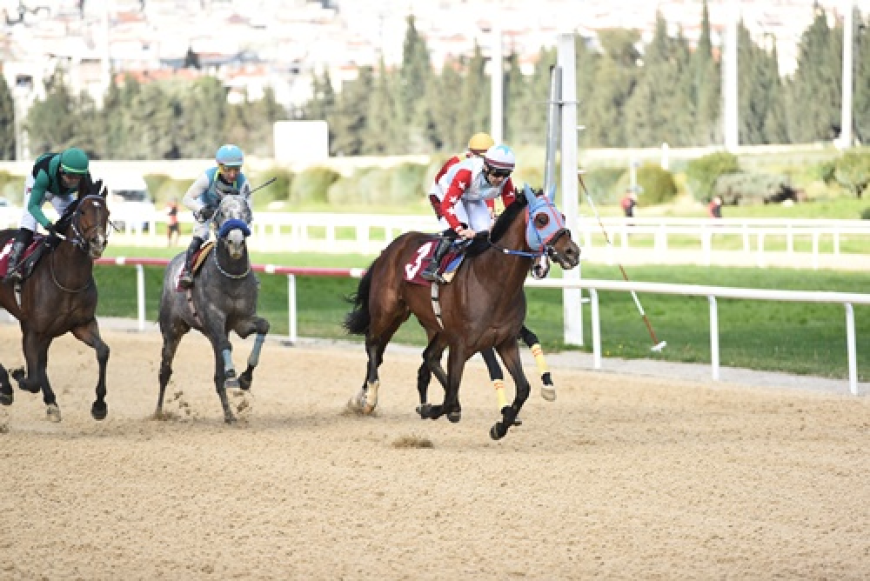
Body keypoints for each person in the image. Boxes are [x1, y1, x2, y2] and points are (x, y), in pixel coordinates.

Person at [421, 143, 517, 283]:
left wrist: (500, 222)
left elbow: (512, 209)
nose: (501, 179)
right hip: (448, 189)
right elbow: (447, 205)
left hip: (471, 194)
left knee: (484, 228)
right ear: (486, 167)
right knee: (463, 225)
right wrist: (459, 229)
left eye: (506, 174)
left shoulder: (504, 180)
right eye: (497, 173)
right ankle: (433, 266)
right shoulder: (466, 173)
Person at [4, 147, 92, 283]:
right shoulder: (44, 173)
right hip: (38, 185)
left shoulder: (84, 176)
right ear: (62, 170)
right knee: (29, 223)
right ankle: (13, 264)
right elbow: (32, 206)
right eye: (70, 176)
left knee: (72, 219)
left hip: (60, 191)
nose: (73, 182)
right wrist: (47, 224)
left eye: (77, 178)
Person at [178, 144, 252, 289]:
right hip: (205, 209)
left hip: (228, 215)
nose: (232, 174)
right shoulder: (207, 177)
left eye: (236, 169)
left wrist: (245, 228)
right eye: (227, 169)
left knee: (237, 239)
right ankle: (188, 272)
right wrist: (202, 209)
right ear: (218, 166)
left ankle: (247, 276)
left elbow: (248, 211)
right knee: (202, 235)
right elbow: (187, 199)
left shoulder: (243, 182)